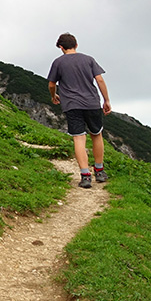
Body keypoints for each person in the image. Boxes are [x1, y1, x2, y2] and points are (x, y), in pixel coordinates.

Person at [47, 33, 112, 189]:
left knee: (78, 138)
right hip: (92, 103)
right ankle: (100, 171)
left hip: (72, 105)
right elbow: (100, 80)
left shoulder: (58, 62)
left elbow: (51, 84)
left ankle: (85, 176)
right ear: (76, 45)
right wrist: (106, 100)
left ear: (61, 47)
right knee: (96, 135)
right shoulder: (89, 59)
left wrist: (54, 95)